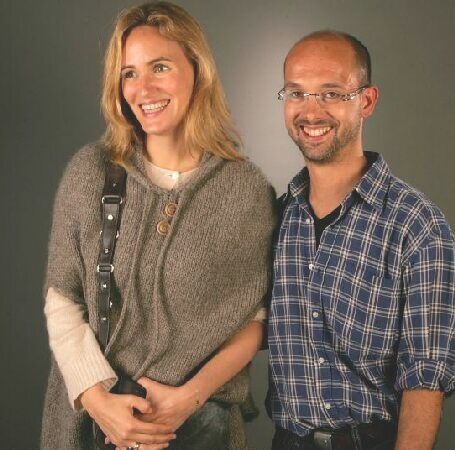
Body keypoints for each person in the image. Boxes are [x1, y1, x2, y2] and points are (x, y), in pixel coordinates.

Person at [41, 2, 275, 450]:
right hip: (94, 422)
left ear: (197, 71)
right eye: (129, 73)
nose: (143, 88)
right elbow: (62, 298)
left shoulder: (246, 190)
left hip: (199, 426)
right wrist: (98, 401)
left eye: (160, 67)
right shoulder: (91, 172)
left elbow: (253, 320)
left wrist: (189, 398)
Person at [267, 30, 454, 450]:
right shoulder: (277, 219)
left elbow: (425, 377)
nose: (310, 111)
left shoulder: (417, 225)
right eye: (296, 93)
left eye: (331, 93)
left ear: (366, 101)